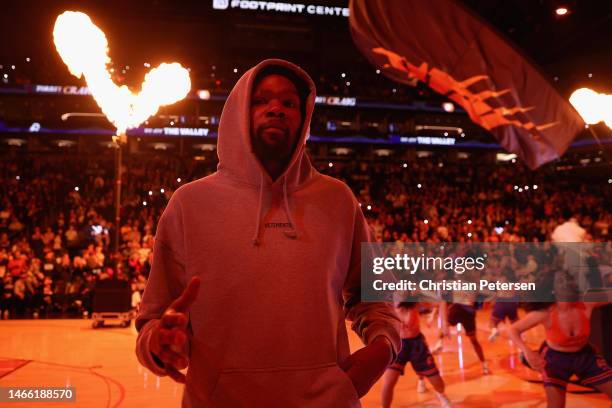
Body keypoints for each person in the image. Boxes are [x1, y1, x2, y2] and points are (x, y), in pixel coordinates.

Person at [135, 59, 401, 407]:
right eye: (261, 100)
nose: (275, 109)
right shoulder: (189, 204)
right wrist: (159, 343)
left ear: (303, 118)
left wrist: (383, 348)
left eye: (289, 103)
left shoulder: (338, 200)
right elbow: (153, 320)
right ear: (238, 113)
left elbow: (374, 297)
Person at [509, 297, 612, 407]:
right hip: (555, 360)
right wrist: (526, 351)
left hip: (585, 356)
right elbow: (513, 329)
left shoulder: (587, 303)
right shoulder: (546, 313)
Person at [381, 302, 452, 408]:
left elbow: (441, 302)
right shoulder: (386, 302)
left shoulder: (415, 300)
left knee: (438, 383)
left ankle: (441, 395)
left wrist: (445, 323)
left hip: (416, 344)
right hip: (398, 344)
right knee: (388, 383)